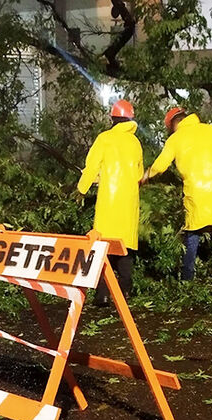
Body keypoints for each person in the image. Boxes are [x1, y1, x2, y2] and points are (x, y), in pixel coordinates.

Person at [144, 107, 212, 287]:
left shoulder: (175, 139)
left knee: (192, 237)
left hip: (196, 194)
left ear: (174, 124)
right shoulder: (211, 130)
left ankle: (187, 281)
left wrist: (145, 175)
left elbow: (160, 165)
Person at [77, 99, 144, 305]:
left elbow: (91, 167)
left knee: (102, 247)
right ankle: (125, 292)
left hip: (109, 201)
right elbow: (138, 174)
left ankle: (103, 294)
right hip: (129, 203)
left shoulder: (104, 139)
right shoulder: (135, 143)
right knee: (125, 248)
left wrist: (81, 189)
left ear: (113, 119)